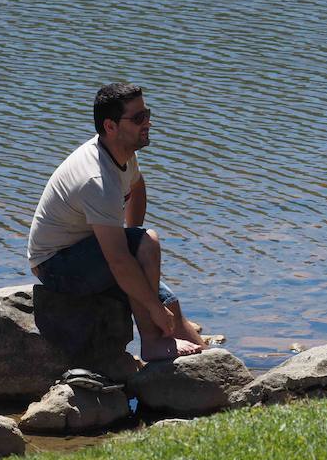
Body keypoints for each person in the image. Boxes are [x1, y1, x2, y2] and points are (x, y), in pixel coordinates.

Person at [28, 82, 206, 360]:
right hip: (55, 266)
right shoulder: (96, 179)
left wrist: (130, 235)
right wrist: (154, 308)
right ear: (110, 127)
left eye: (147, 114)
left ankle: (207, 368)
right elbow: (120, 262)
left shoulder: (122, 153)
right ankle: (151, 343)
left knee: (167, 299)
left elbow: (136, 187)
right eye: (138, 118)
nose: (147, 122)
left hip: (85, 251)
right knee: (146, 247)